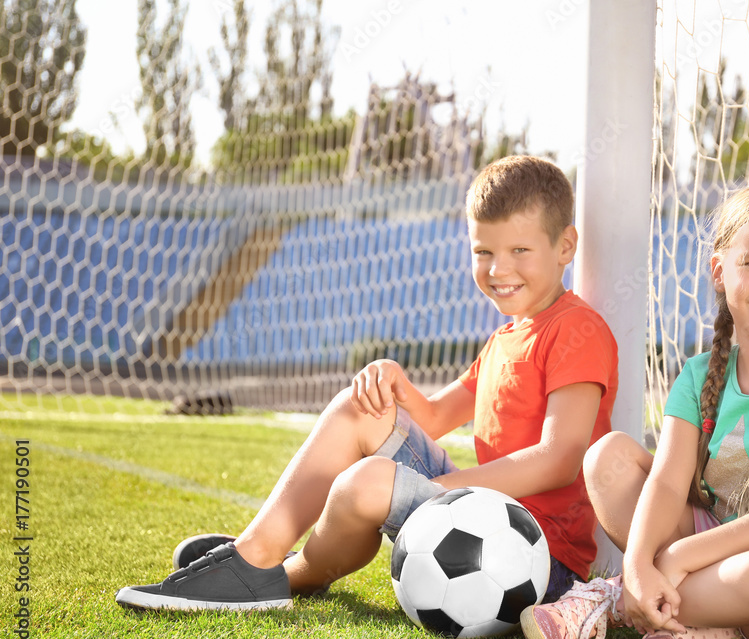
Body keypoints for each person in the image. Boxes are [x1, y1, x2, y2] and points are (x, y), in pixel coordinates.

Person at [115, 155, 619, 612]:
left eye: (520, 250)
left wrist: (441, 491)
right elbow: (438, 417)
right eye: (483, 250)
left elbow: (560, 459)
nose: (498, 269)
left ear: (564, 246)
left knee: (367, 481)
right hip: (478, 517)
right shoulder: (504, 337)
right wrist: (393, 378)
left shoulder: (576, 329)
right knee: (359, 408)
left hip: (535, 557)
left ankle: (287, 573)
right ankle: (255, 556)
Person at [520, 180, 749, 639]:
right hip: (717, 550)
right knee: (610, 458)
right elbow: (666, 484)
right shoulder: (698, 375)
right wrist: (643, 559)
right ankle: (699, 615)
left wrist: (677, 558)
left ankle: (614, 600)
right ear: (720, 271)